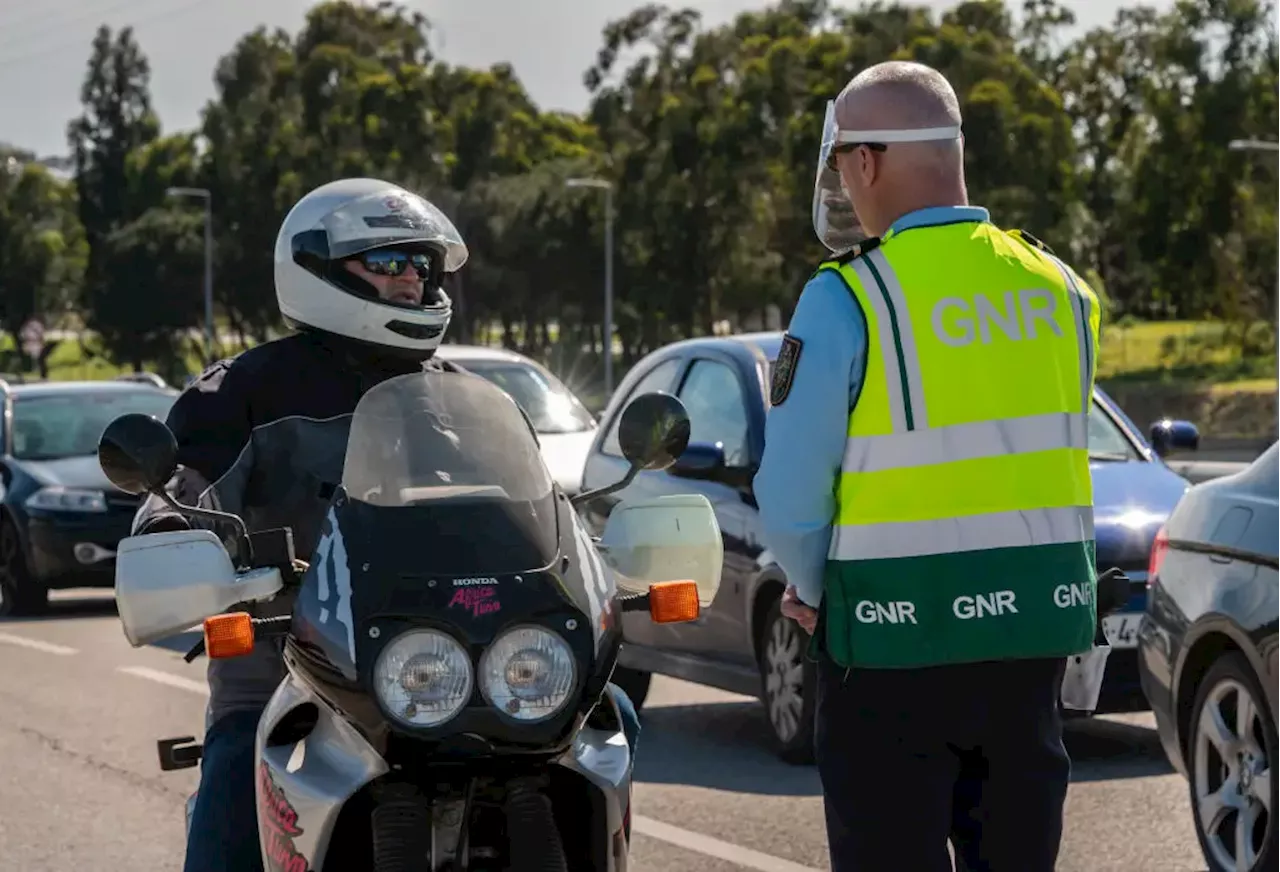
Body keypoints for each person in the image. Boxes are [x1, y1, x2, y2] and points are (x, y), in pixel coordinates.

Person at [131, 177, 640, 872]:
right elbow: (186, 488)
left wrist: (593, 563)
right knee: (233, 794)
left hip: (451, 665)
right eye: (392, 263)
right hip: (294, 669)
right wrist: (171, 537)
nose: (414, 283)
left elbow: (533, 511)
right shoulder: (241, 394)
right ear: (317, 268)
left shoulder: (462, 399)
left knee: (607, 721)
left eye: (423, 267)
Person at [754, 61, 1102, 872]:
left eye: (842, 160)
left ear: (867, 162)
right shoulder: (1060, 288)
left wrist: (812, 590)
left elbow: (794, 491)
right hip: (1028, 648)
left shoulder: (848, 296)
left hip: (888, 651)